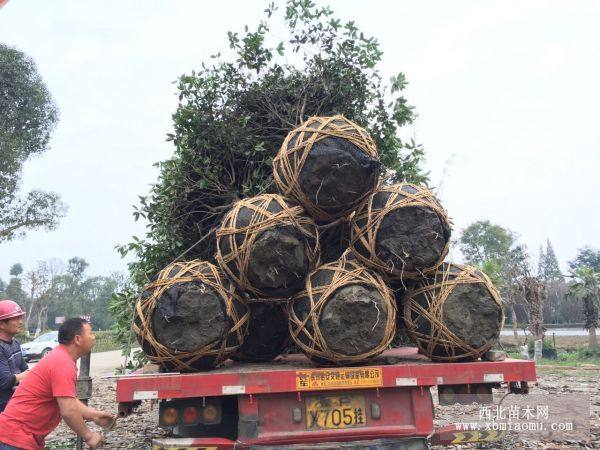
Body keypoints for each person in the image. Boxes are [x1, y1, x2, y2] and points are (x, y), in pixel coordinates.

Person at [0, 318, 114, 450]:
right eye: (90, 333)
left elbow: (66, 399)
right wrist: (89, 436)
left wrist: (93, 415)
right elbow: (68, 411)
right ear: (77, 339)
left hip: (17, 438)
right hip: (14, 440)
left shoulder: (61, 358)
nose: (94, 337)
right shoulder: (62, 363)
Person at [0, 300, 29, 413]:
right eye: (15, 318)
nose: (20, 322)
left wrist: (21, 381)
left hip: (15, 402)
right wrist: (25, 376)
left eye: (20, 318)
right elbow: (5, 381)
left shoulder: (15, 343)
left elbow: (24, 367)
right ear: (2, 324)